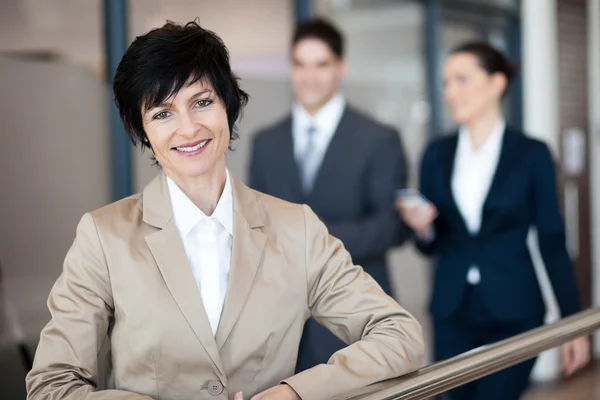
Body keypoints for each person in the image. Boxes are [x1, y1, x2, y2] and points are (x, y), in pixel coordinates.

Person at [25, 20, 424, 400]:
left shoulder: (296, 229)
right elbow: (52, 385)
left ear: (228, 106)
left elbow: (399, 335)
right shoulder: (103, 237)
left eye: (201, 102)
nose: (188, 128)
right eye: (162, 113)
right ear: (140, 129)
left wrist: (300, 391)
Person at [396, 41, 590, 400]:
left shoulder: (532, 154)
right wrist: (423, 228)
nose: (450, 92)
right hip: (452, 313)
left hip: (515, 312)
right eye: (446, 82)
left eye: (462, 79)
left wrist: (573, 325)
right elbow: (432, 244)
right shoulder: (435, 155)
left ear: (497, 83)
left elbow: (551, 240)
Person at [249, 18, 408, 373]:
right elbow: (253, 224)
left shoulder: (379, 139)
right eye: (300, 64)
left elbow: (390, 227)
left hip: (354, 313)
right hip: (280, 321)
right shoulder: (266, 143)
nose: (309, 76)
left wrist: (307, 241)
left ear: (341, 67)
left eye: (321, 64)